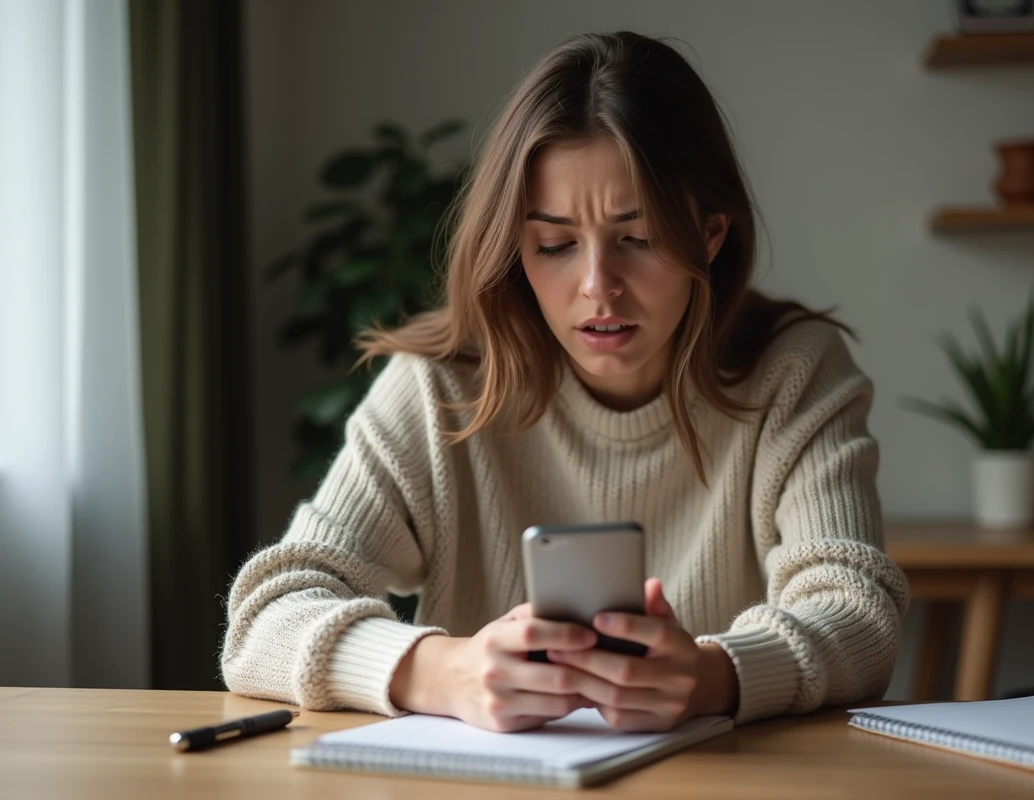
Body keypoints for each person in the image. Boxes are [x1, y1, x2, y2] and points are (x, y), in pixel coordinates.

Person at [222, 30, 910, 734]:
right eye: (553, 245)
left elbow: (858, 612)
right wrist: (444, 673)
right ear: (515, 247)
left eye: (637, 239)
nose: (596, 288)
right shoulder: (439, 387)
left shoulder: (793, 371)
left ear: (710, 234)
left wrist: (710, 677)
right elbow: (266, 617)